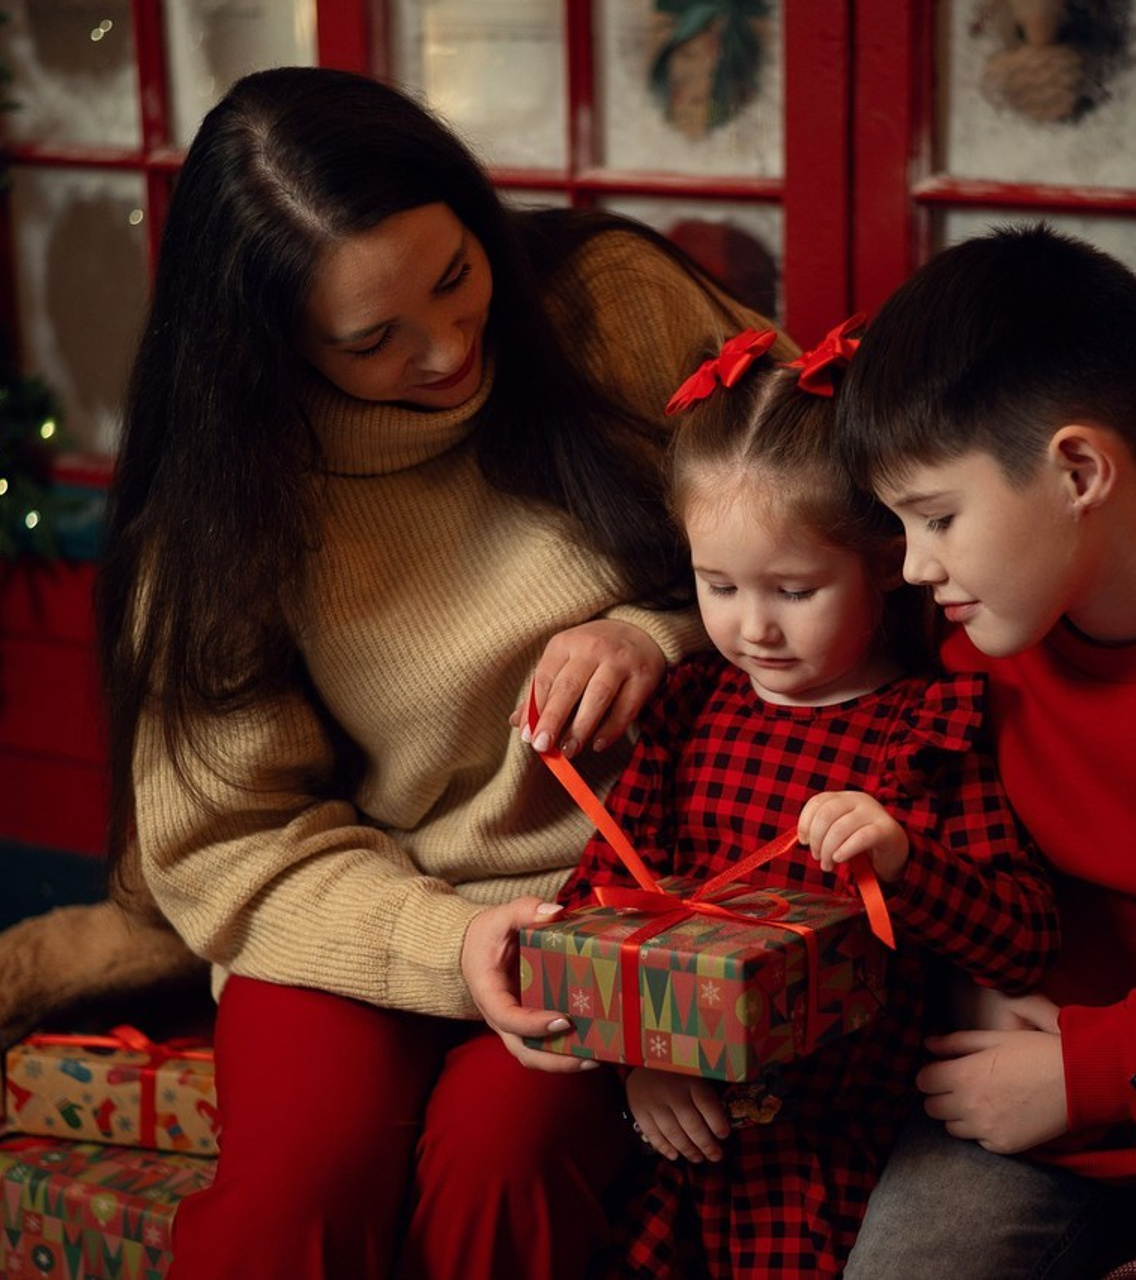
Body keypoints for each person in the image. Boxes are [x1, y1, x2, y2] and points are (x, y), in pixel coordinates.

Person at [95, 65, 786, 1280]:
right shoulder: (224, 505)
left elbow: (839, 512)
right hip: (358, 895)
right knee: (297, 1194)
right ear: (270, 345)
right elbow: (229, 840)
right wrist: (439, 943)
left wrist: (658, 627)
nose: (450, 346)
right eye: (372, 340)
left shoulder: (608, 300)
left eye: (456, 278)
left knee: (500, 1164)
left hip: (632, 894)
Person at [547, 322, 1060, 1279]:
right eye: (718, 585)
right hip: (690, 1148)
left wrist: (907, 861)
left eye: (794, 589)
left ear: (882, 563)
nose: (753, 626)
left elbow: (1026, 937)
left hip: (844, 1152)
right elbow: (599, 902)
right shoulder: (689, 708)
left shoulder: (930, 728)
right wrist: (640, 1059)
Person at [840, 223, 1136, 1278]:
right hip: (1014, 1090)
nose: (910, 565)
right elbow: (751, 597)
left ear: (1078, 466)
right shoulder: (967, 649)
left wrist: (1095, 1070)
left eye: (936, 516)